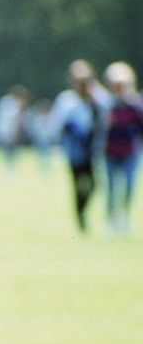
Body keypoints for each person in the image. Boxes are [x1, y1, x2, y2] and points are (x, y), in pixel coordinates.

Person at [48, 60, 109, 232]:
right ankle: (80, 218)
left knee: (94, 185)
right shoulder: (66, 100)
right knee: (77, 185)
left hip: (93, 151)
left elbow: (106, 118)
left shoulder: (99, 98)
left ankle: (83, 210)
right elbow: (57, 125)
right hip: (74, 152)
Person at [100, 62, 143, 235]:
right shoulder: (106, 105)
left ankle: (124, 219)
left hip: (130, 152)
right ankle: (111, 221)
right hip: (110, 152)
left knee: (129, 187)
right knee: (110, 188)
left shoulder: (135, 106)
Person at [0, 85, 30, 169]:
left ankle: (10, 167)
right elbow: (12, 120)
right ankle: (9, 168)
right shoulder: (10, 103)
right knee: (9, 150)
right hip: (6, 131)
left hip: (7, 131)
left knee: (11, 151)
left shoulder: (5, 102)